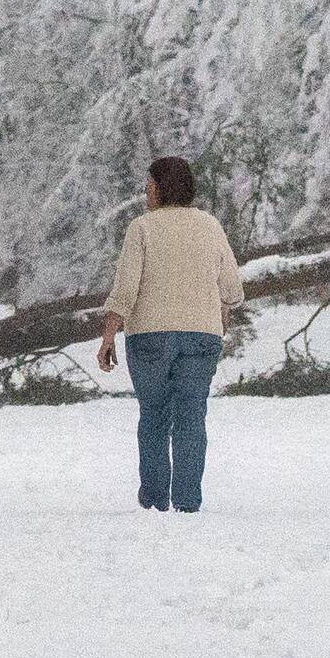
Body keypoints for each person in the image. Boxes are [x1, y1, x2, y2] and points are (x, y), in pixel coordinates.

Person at [97, 156, 245, 513]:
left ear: (162, 188)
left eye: (149, 185)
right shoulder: (210, 226)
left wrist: (108, 335)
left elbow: (126, 288)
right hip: (201, 337)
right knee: (192, 417)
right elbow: (233, 289)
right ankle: (187, 501)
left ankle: (154, 499)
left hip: (149, 337)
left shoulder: (142, 228)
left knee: (153, 416)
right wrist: (219, 306)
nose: (146, 191)